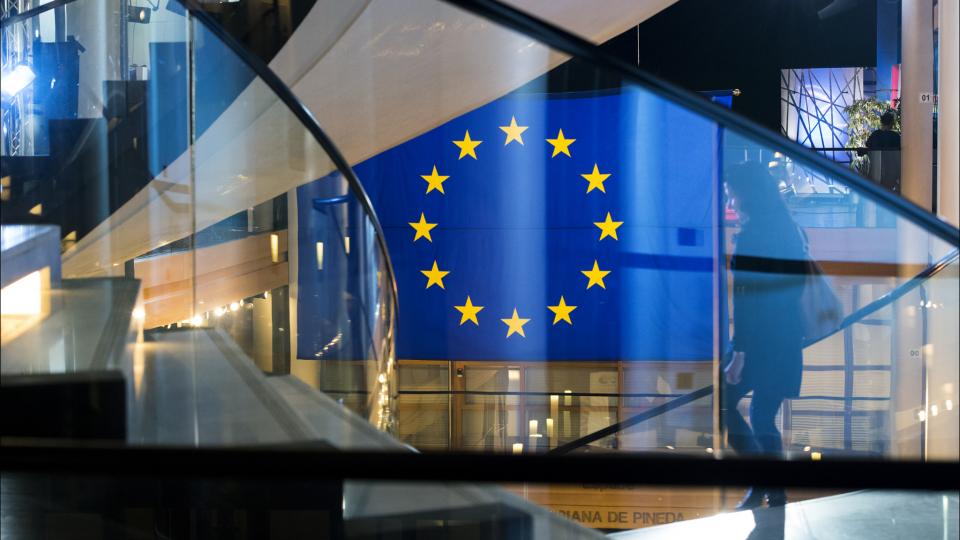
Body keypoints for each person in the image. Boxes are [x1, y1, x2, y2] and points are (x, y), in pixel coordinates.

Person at [723, 162, 807, 509]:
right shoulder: (789, 230)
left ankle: (764, 483)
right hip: (785, 339)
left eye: (732, 189)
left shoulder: (754, 236)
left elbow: (746, 300)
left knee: (725, 405)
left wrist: (739, 351)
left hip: (759, 342)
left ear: (747, 193)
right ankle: (772, 488)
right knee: (762, 412)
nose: (729, 195)